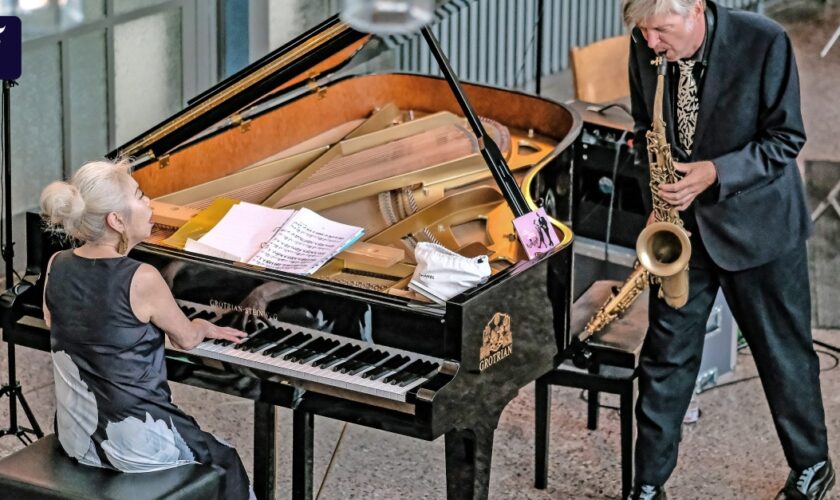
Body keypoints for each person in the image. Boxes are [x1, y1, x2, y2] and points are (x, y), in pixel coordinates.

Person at [622, 1, 833, 499]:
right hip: (683, 230)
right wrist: (655, 201)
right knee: (665, 359)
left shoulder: (765, 41)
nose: (650, 42)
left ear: (694, 9)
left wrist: (715, 173)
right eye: (643, 30)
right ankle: (648, 485)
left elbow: (786, 139)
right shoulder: (646, 46)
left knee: (783, 356)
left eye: (660, 29)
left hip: (758, 226)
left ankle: (812, 464)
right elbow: (642, 128)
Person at [40, 160, 253, 500]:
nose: (150, 202)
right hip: (134, 444)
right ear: (117, 220)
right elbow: (185, 339)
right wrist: (198, 324)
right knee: (226, 460)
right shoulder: (142, 278)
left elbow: (56, 321)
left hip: (76, 435)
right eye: (140, 196)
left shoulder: (57, 263)